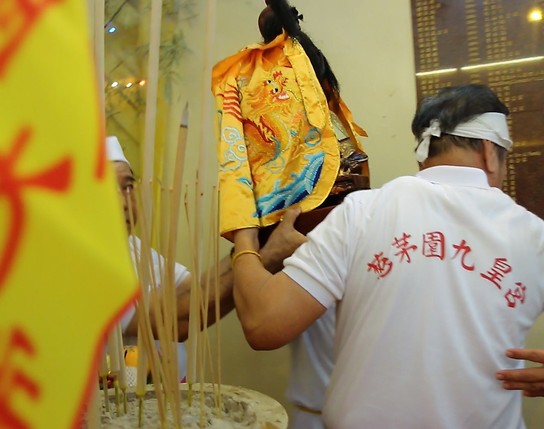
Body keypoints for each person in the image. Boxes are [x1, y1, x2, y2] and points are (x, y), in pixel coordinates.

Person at [230, 84, 544, 428]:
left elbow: (264, 324)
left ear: (423, 153)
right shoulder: (534, 236)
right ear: (490, 151)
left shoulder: (362, 212)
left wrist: (244, 238)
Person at [105, 135, 305, 380]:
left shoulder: (132, 246)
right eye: (105, 189)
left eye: (127, 187)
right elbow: (174, 319)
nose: (123, 203)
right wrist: (265, 256)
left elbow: (194, 291)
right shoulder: (79, 266)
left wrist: (255, 242)